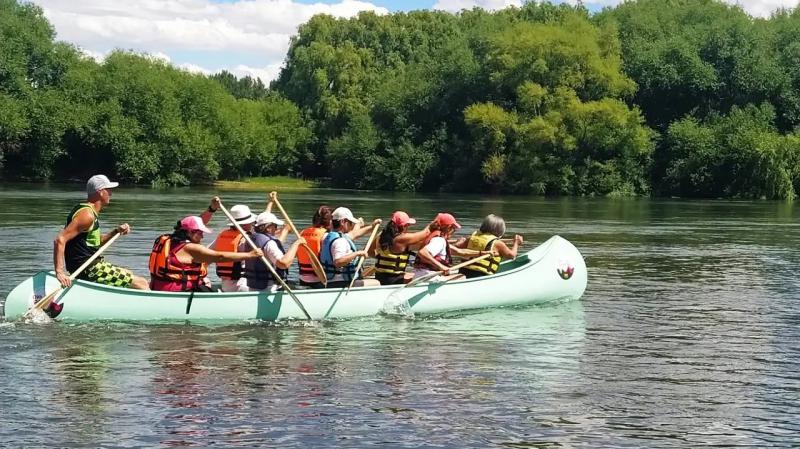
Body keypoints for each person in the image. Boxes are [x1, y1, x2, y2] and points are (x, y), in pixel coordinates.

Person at [53, 174, 149, 292]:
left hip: (89, 266)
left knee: (131, 274)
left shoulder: (86, 210)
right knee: (142, 283)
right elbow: (60, 240)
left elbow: (96, 243)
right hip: (89, 268)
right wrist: (60, 272)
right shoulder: (87, 215)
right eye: (108, 190)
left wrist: (116, 232)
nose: (111, 193)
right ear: (100, 192)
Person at [149, 216, 263, 292]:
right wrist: (250, 255)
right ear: (190, 232)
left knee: (206, 282)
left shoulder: (166, 240)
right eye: (200, 233)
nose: (202, 236)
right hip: (179, 292)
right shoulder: (191, 248)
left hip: (158, 287)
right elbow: (219, 257)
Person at [243, 212, 306, 292]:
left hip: (253, 287)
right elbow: (284, 264)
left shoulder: (252, 239)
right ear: (268, 228)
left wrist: (285, 230)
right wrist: (296, 243)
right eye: (275, 226)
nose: (276, 229)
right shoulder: (269, 243)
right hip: (270, 289)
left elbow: (274, 245)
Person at [319, 207, 381, 288]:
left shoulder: (327, 236)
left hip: (330, 281)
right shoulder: (340, 241)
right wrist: (357, 254)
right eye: (350, 222)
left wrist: (372, 226)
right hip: (341, 283)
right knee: (376, 283)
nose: (352, 225)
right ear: (343, 222)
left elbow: (354, 234)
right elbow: (338, 262)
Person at [370, 211, 431, 285]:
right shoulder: (401, 239)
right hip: (394, 280)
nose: (408, 227)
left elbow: (370, 251)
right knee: (420, 276)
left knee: (410, 274)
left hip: (379, 276)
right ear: (402, 226)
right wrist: (433, 224)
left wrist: (383, 260)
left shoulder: (381, 235)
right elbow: (426, 233)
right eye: (407, 225)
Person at [454, 214, 524, 278]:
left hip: (463, 272)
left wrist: (458, 242)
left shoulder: (471, 238)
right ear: (500, 229)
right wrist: (516, 243)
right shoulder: (497, 243)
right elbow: (512, 256)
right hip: (480, 275)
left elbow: (457, 249)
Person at [210, 204, 256, 292]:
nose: (252, 224)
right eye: (251, 222)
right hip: (245, 286)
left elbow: (205, 255)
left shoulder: (222, 237)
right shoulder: (246, 239)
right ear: (246, 224)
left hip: (226, 287)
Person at [412, 213, 470, 282]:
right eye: (453, 229)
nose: (454, 231)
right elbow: (422, 252)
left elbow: (460, 252)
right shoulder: (439, 240)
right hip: (428, 277)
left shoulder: (432, 237)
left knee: (452, 273)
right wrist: (441, 266)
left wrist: (482, 253)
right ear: (448, 228)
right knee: (461, 277)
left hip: (419, 275)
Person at [296, 205, 332, 289]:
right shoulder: (326, 235)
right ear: (330, 221)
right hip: (320, 278)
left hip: (303, 277)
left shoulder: (302, 233)